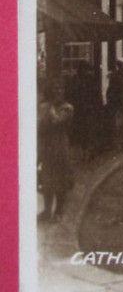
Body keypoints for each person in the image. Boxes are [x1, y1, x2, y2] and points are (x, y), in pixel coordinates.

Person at [38, 82, 74, 222]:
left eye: (60, 88)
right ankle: (47, 210)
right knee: (47, 178)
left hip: (60, 145)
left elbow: (56, 121)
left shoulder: (67, 108)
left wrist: (50, 106)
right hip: (47, 145)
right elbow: (39, 124)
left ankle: (59, 211)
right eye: (55, 88)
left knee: (61, 179)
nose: (58, 91)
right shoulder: (44, 107)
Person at [65, 61, 102, 160]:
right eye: (85, 70)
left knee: (88, 131)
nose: (87, 72)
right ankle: (85, 151)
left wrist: (98, 107)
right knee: (84, 131)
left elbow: (97, 96)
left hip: (87, 110)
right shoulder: (76, 81)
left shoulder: (89, 81)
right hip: (81, 111)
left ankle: (88, 151)